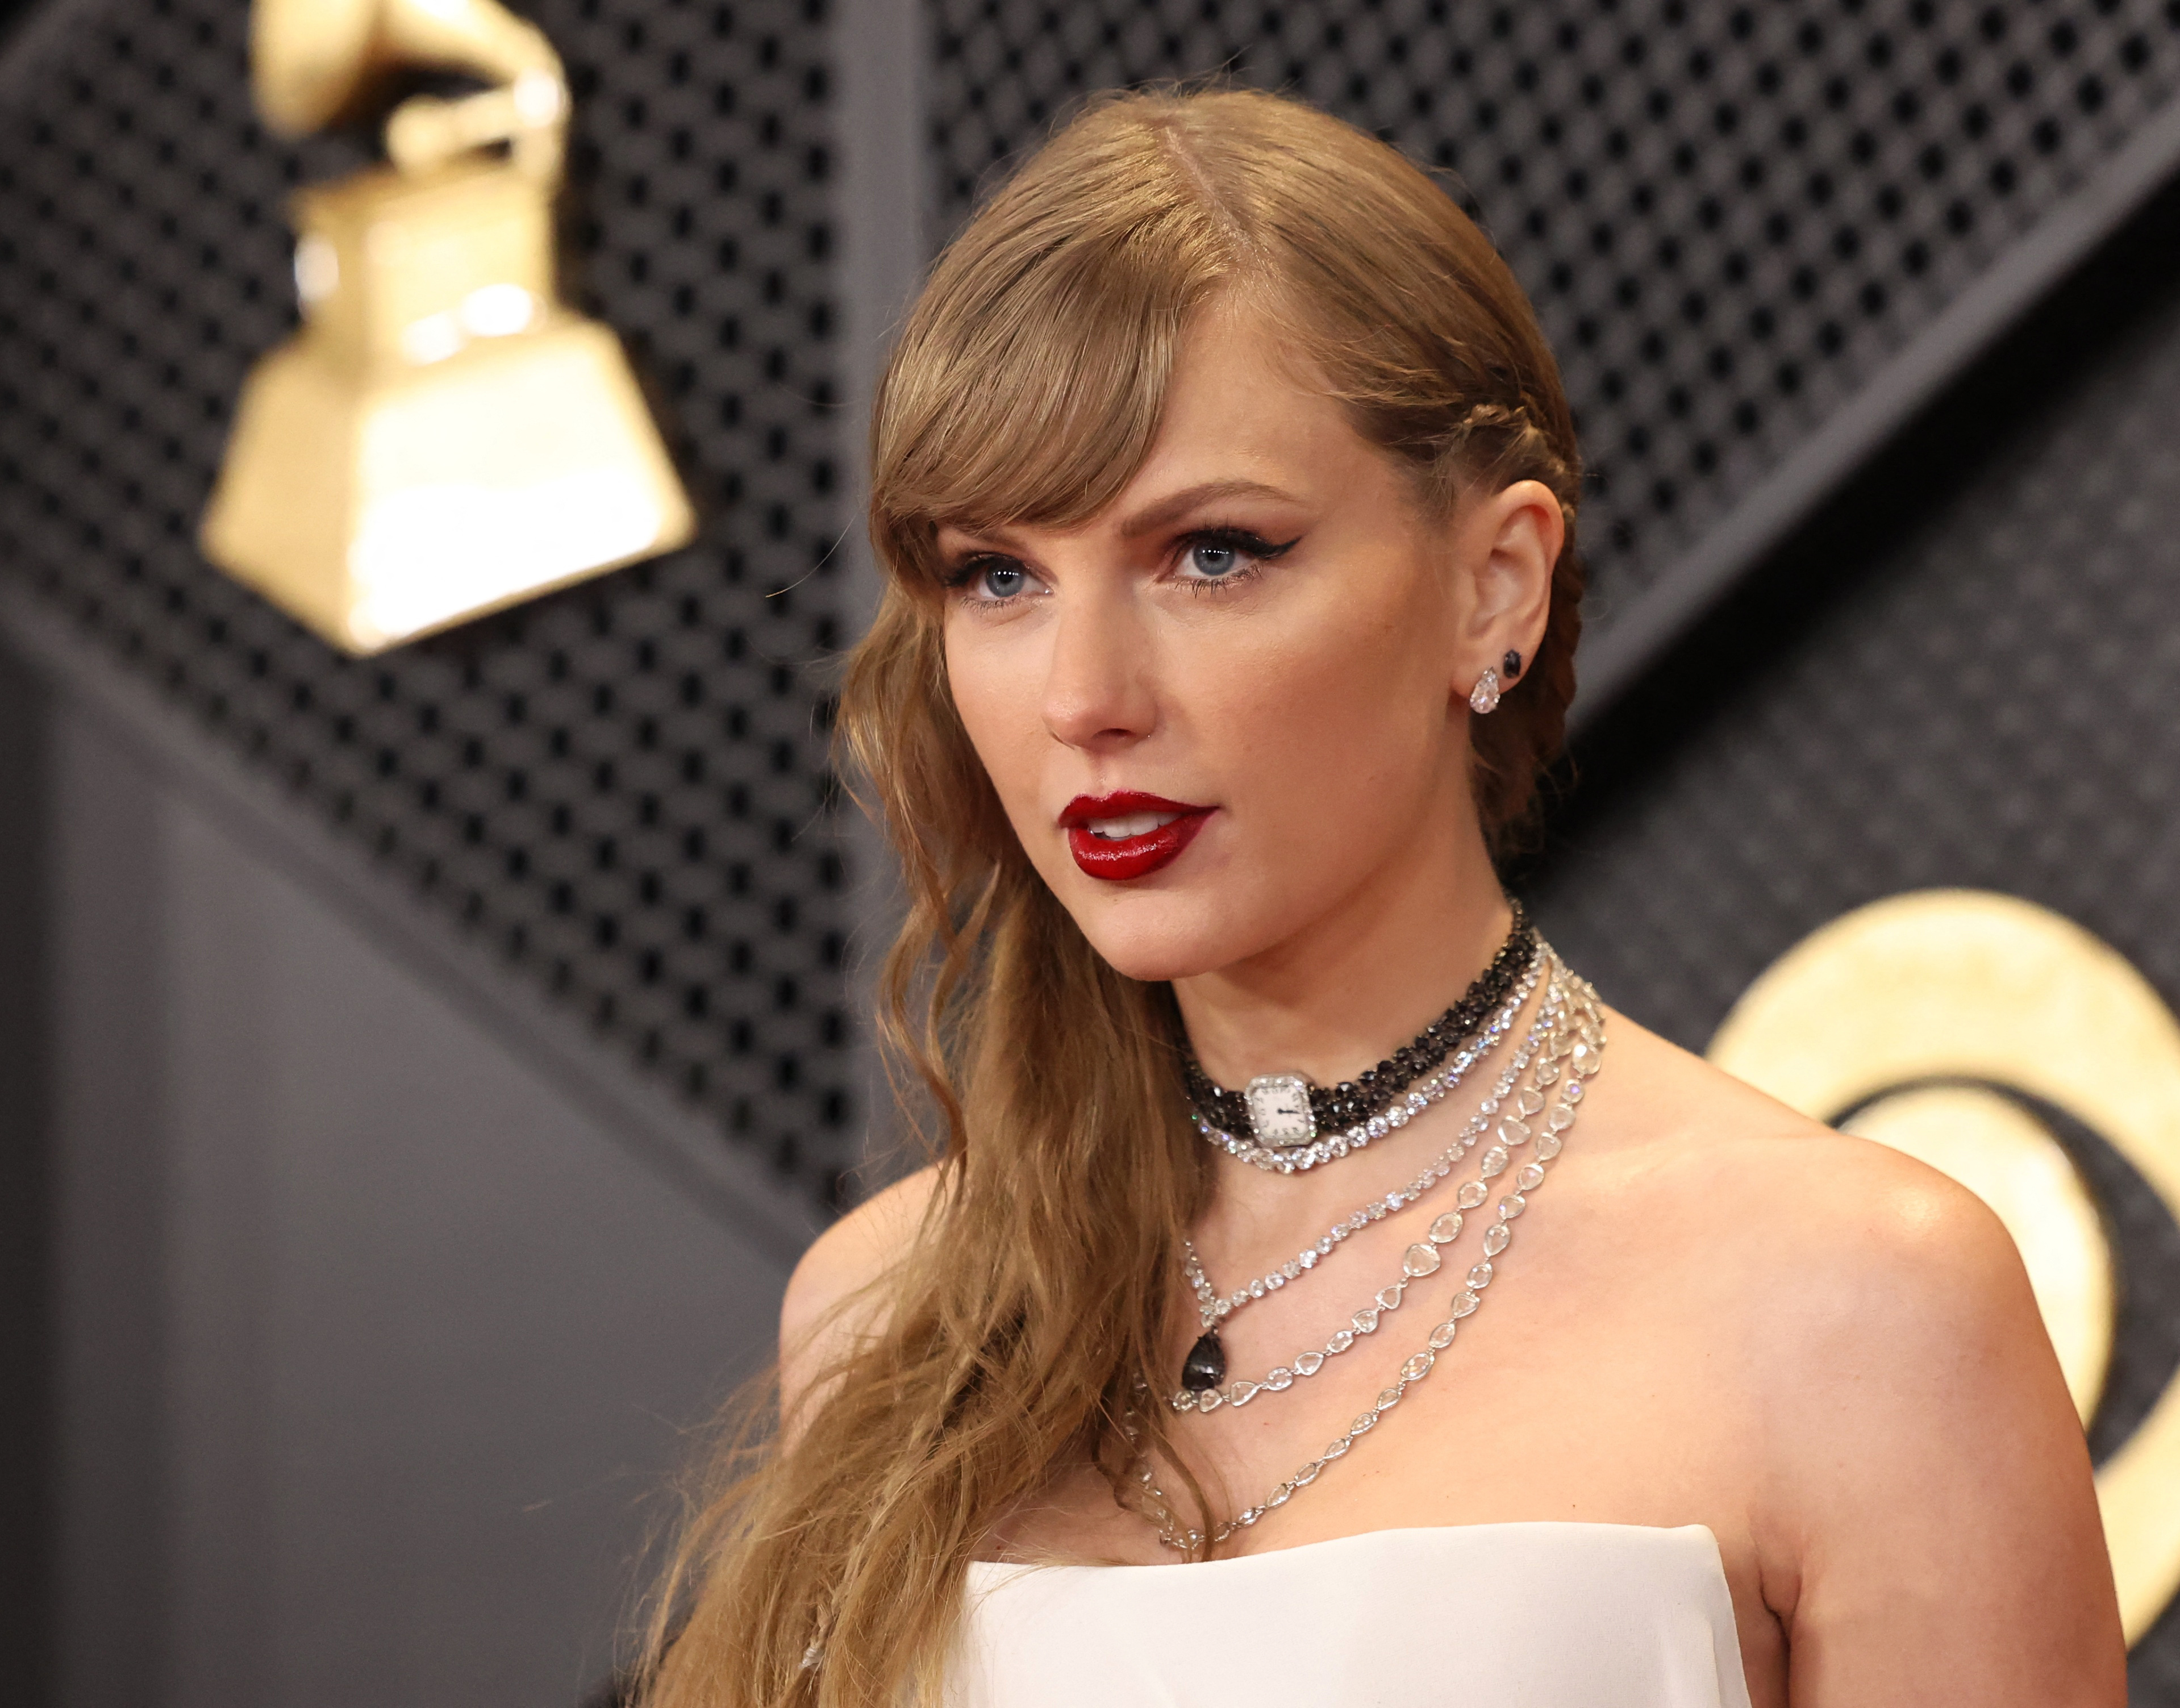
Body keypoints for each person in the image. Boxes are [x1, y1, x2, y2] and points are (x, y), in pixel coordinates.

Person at [639, 87, 2122, 1707]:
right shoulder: (881, 1313)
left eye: (1213, 553)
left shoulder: (1864, 1310)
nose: (1082, 695)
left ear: (1496, 587)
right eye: (998, 576)